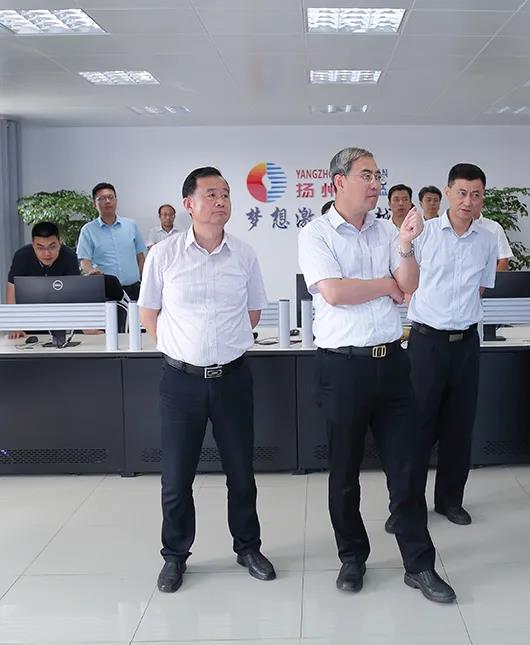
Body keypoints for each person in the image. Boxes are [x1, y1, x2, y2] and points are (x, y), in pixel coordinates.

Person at [298, 147, 455, 603]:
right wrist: (387, 285)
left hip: (392, 364)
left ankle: (419, 564)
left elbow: (410, 284)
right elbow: (334, 291)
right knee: (345, 471)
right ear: (338, 182)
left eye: (377, 176)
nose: (375, 184)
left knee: (407, 469)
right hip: (342, 367)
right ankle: (352, 557)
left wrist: (405, 247)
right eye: (366, 175)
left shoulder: (389, 230)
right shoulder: (316, 233)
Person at [138, 166, 275, 593]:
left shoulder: (244, 254)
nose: (221, 201)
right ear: (189, 204)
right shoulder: (164, 255)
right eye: (211, 194)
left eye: (226, 194)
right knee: (177, 477)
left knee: (241, 472)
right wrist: (180, 350)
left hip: (232, 378)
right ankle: (175, 556)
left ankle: (248, 547)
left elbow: (254, 311)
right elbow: (148, 313)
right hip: (181, 382)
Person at [402, 163, 497, 528]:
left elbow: (481, 288)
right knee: (417, 429)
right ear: (447, 193)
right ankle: (406, 506)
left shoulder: (487, 238)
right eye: (461, 193)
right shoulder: (424, 234)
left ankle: (450, 501)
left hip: (466, 345)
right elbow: (408, 283)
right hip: (427, 343)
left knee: (459, 428)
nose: (468, 201)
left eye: (476, 195)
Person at [5, 221, 80, 339]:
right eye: (40, 248)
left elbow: (77, 292)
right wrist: (15, 325)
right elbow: (12, 289)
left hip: (58, 317)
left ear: (60, 243)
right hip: (28, 317)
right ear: (33, 245)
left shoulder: (69, 256)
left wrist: (84, 324)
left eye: (52, 246)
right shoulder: (22, 256)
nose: (47, 253)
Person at [77, 182, 146, 302]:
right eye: (102, 198)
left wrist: (145, 282)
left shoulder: (131, 225)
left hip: (134, 289)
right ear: (94, 203)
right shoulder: (88, 230)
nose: (107, 201)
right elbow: (84, 261)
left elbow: (140, 257)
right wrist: (91, 271)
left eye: (110, 197)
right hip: (106, 291)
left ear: (116, 200)